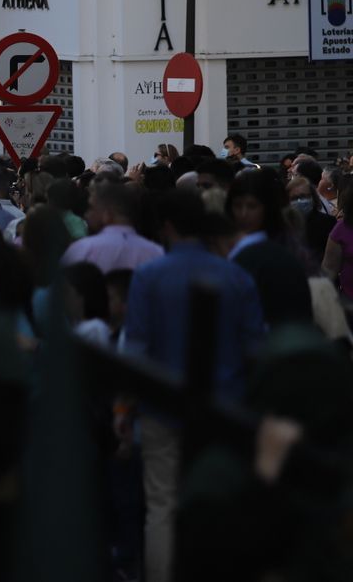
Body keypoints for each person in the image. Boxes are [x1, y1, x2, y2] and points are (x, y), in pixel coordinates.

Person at [120, 189, 266, 582]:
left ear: (166, 226)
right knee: (220, 500)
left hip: (160, 405)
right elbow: (256, 348)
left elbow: (136, 349)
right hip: (224, 408)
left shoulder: (149, 276)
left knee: (161, 505)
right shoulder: (235, 276)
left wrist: (126, 408)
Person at [62, 179, 163, 273]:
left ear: (108, 214)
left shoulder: (81, 249)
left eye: (91, 208)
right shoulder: (156, 253)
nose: (87, 214)